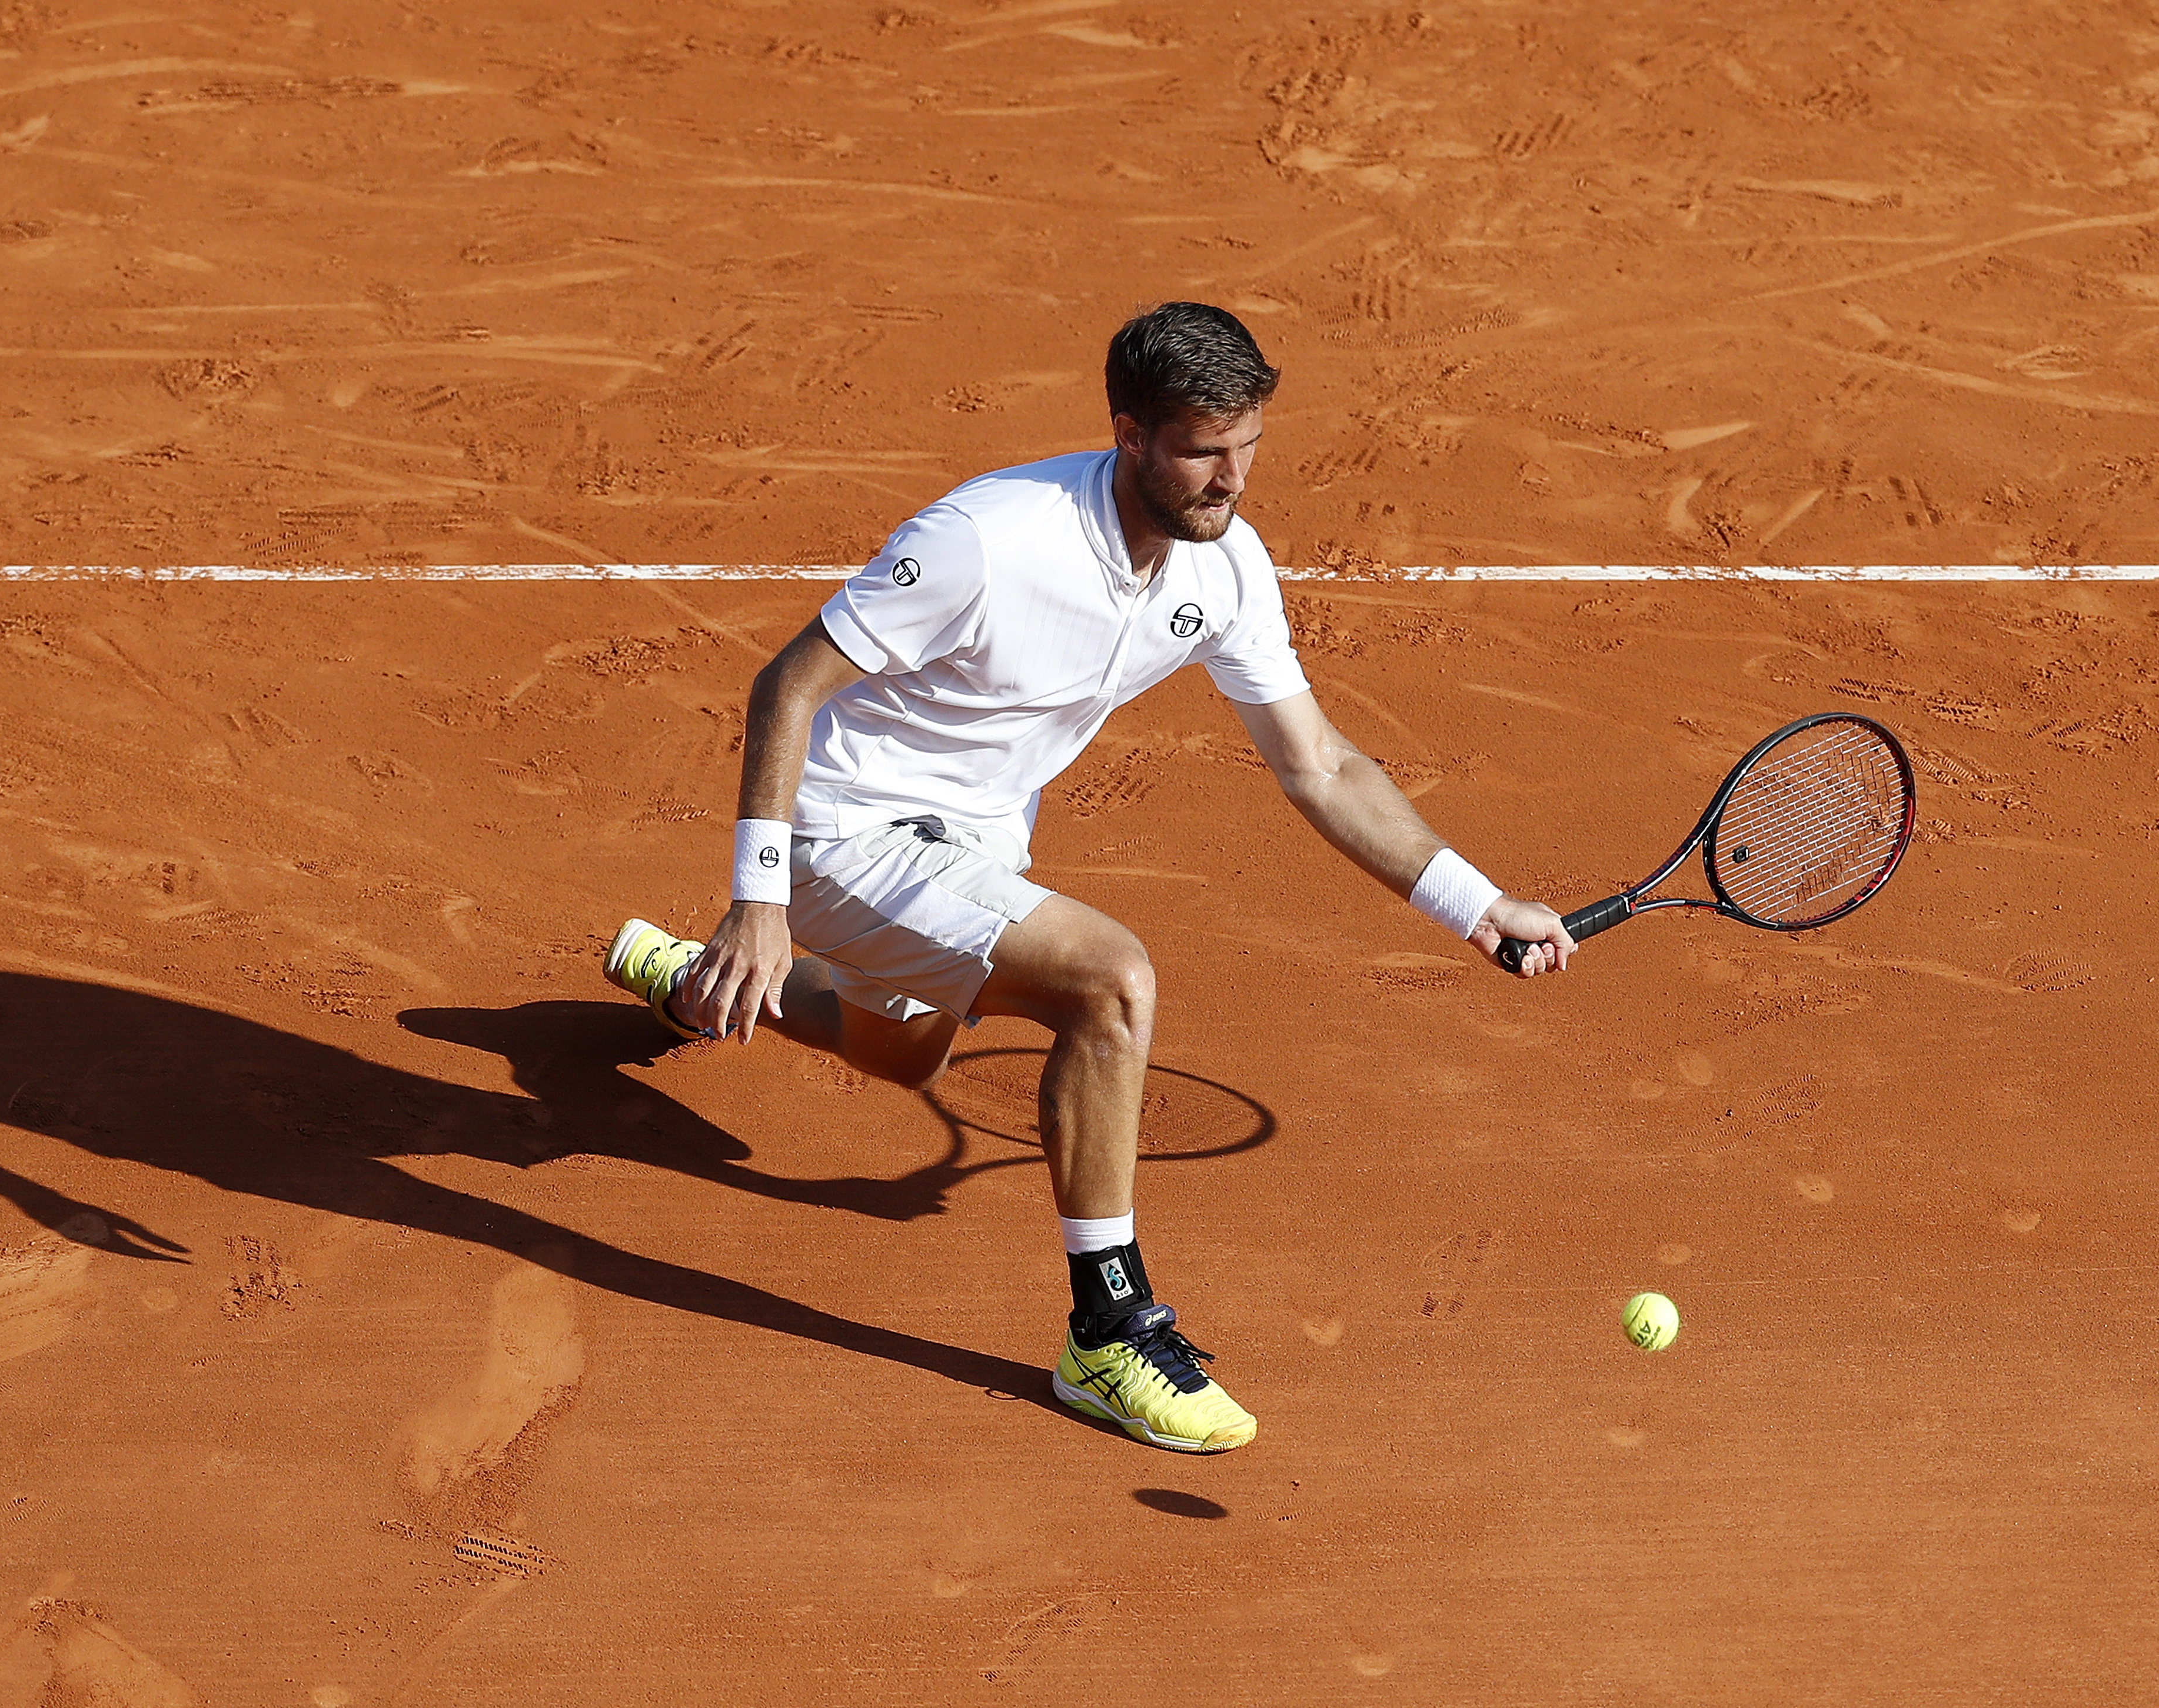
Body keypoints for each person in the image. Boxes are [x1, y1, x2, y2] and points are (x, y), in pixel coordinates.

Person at [606, 302, 1573, 1453]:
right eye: (1204, 450)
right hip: (840, 832)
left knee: (899, 1050)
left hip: (974, 847)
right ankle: (1107, 1335)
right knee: (1110, 983)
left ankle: (695, 978)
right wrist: (761, 903)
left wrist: (1476, 904)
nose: (1233, 479)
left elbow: (1319, 765)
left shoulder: (1226, 569)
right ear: (1128, 434)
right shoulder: (990, 539)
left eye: (1249, 443)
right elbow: (786, 685)